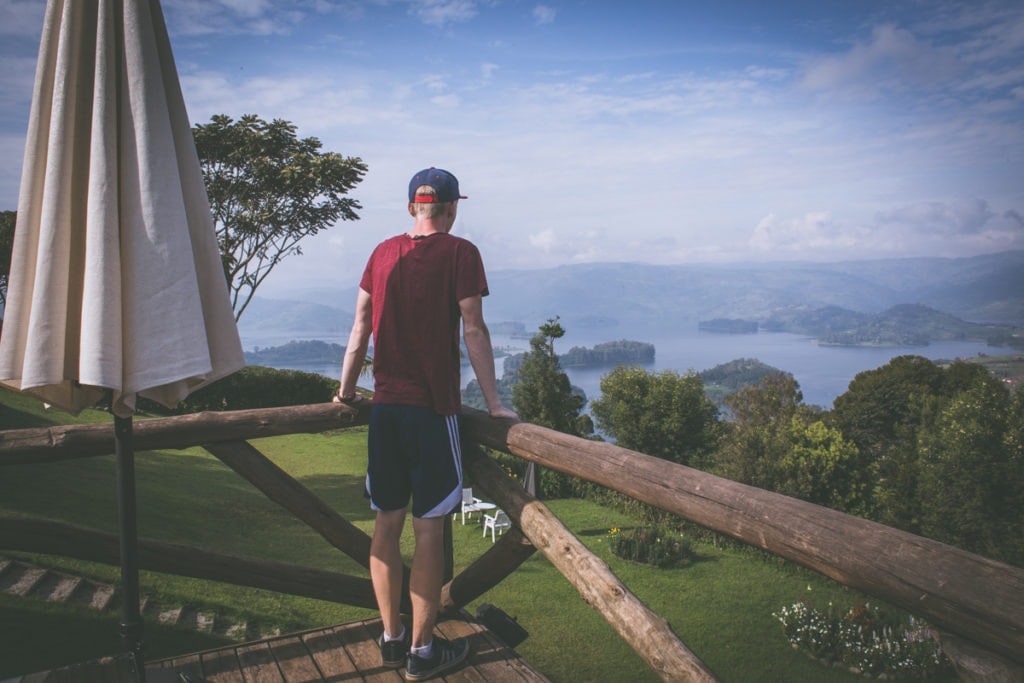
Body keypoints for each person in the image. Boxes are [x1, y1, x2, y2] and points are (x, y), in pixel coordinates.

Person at [335, 167, 517, 681]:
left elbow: (360, 327)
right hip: (434, 411)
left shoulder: (381, 252)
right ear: (453, 207)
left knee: (385, 524)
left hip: (385, 410)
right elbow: (474, 329)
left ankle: (390, 639)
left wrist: (347, 391)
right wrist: (495, 403)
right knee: (429, 528)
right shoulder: (461, 253)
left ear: (411, 207)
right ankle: (421, 652)